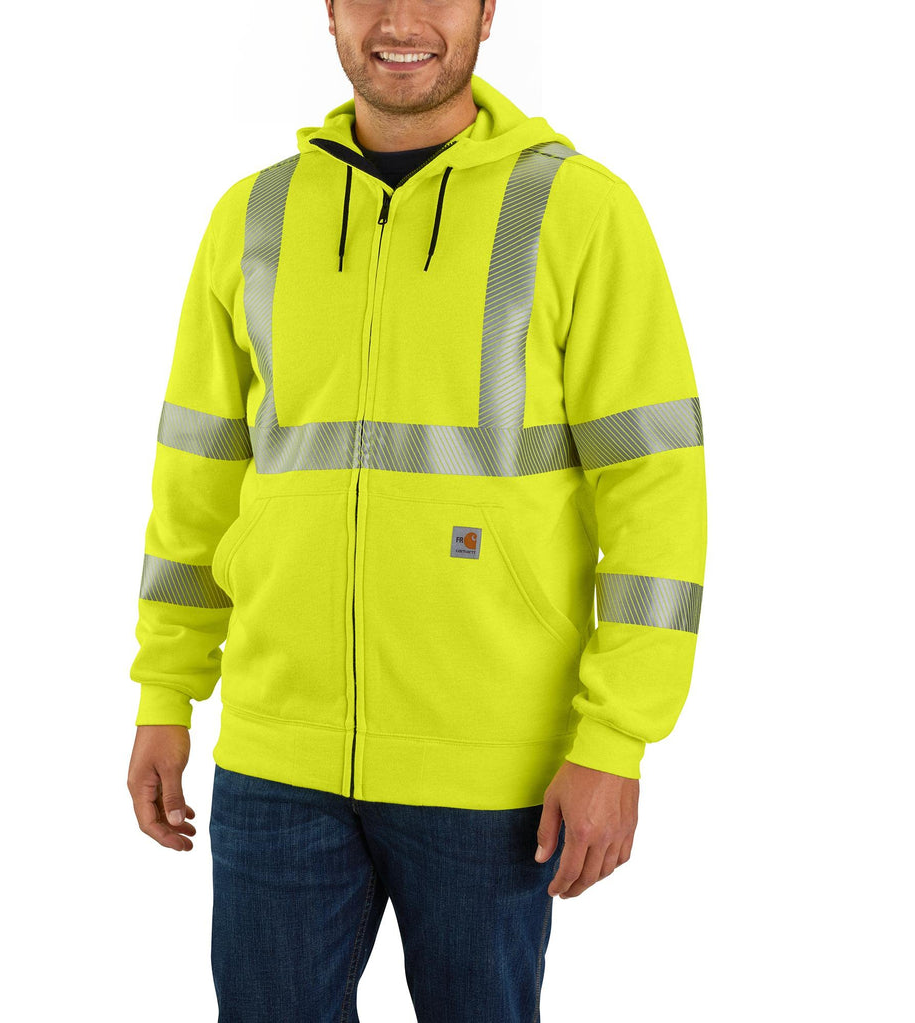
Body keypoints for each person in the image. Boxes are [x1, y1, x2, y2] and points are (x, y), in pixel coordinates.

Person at [126, 0, 707, 1019]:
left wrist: (617, 739)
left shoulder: (577, 211)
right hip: (275, 757)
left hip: (493, 769)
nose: (401, 19)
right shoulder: (253, 217)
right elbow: (196, 477)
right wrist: (165, 692)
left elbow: (655, 491)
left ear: (486, 10)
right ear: (329, 11)